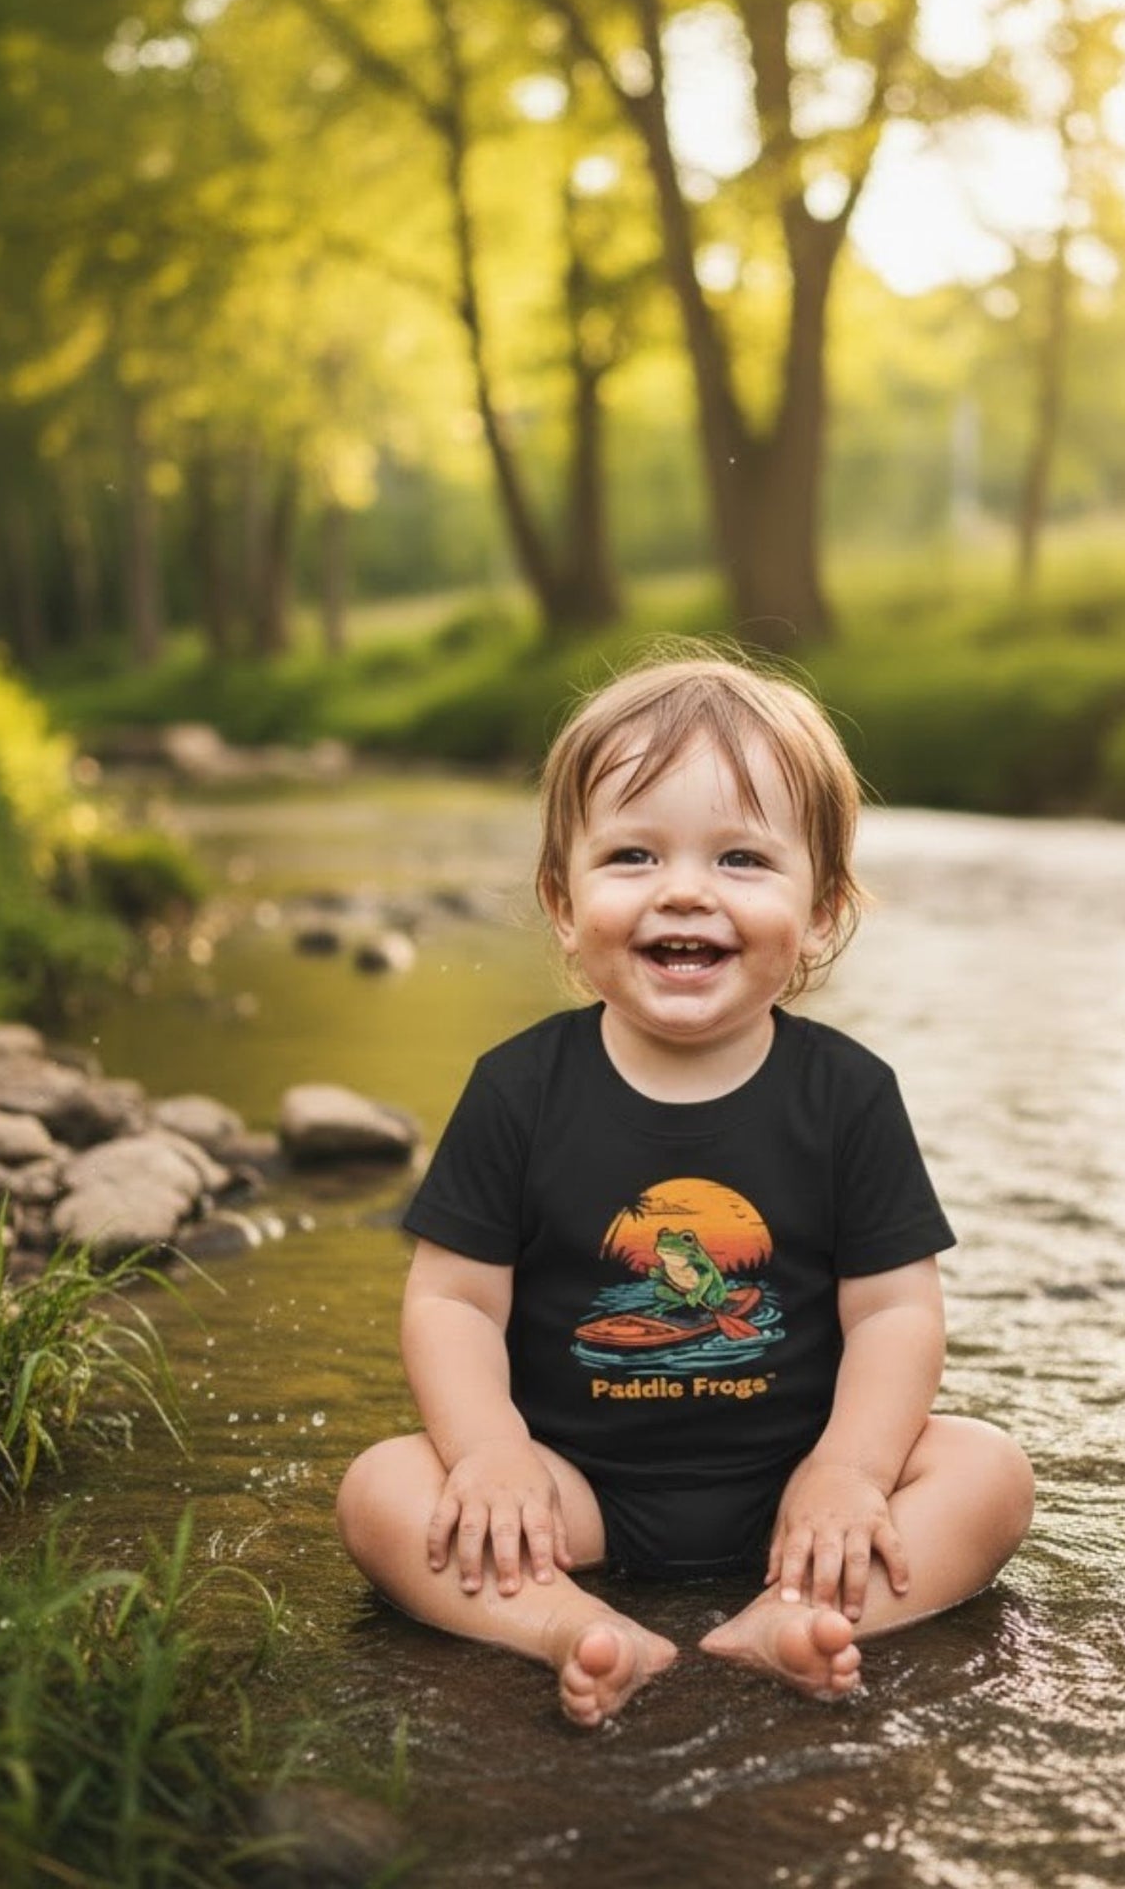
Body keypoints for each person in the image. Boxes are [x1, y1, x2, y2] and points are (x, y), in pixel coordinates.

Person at [335, 646, 1035, 1727]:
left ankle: (797, 1614)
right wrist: (491, 1455)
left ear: (821, 911)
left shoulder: (848, 1095)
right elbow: (453, 1301)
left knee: (988, 1472)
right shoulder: (518, 1090)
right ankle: (567, 1625)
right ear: (563, 901)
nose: (684, 890)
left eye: (741, 858)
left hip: (796, 1486)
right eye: (632, 854)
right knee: (384, 1490)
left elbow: (894, 1311)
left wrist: (850, 1472)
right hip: (572, 1490)